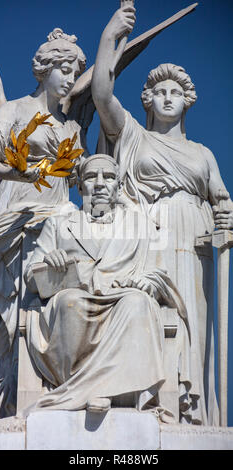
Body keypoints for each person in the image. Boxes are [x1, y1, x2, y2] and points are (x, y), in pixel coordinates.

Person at [91, 5, 233, 425]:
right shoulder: (132, 133)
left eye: (176, 92)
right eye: (160, 92)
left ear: (186, 102)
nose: (168, 97)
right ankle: (144, 401)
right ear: (148, 101)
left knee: (192, 329)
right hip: (148, 237)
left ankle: (187, 412)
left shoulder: (203, 154)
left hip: (194, 245)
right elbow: (101, 92)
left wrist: (226, 215)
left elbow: (221, 201)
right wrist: (109, 36)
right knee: (147, 313)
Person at [23, 154, 190, 420]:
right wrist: (48, 261)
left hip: (122, 297)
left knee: (138, 303)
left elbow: (159, 272)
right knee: (69, 303)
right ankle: (81, 388)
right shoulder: (58, 224)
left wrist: (147, 281)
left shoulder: (140, 225)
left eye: (108, 177)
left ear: (118, 185)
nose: (99, 184)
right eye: (91, 177)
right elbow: (30, 276)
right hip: (76, 297)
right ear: (80, 187)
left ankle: (106, 389)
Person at [0, 27, 88, 418]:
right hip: (14, 219)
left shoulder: (71, 127)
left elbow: (86, 173)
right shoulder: (13, 110)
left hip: (55, 224)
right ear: (43, 69)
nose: (69, 77)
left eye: (74, 70)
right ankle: (7, 403)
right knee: (6, 320)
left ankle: (42, 396)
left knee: (45, 312)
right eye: (63, 68)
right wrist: (22, 175)